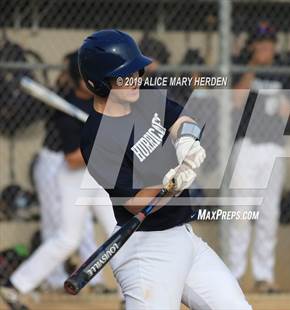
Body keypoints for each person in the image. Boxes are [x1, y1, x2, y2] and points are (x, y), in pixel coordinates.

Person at [78, 29, 251, 310]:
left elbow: (184, 119)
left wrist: (187, 143)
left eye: (136, 72)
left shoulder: (143, 96)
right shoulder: (95, 137)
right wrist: (170, 182)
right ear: (100, 83)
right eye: (125, 75)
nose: (135, 80)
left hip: (184, 236)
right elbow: (134, 204)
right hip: (146, 250)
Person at [0, 53, 117, 310]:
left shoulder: (105, 99)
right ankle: (16, 285)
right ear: (79, 82)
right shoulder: (65, 111)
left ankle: (129, 296)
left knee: (119, 232)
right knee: (67, 239)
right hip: (74, 177)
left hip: (99, 177)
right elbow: (73, 160)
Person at [227, 22, 290, 293]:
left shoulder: (287, 73)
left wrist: (289, 111)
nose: (264, 46)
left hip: (274, 149)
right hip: (246, 146)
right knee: (240, 212)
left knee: (269, 213)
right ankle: (234, 275)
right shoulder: (240, 66)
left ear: (275, 45)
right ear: (252, 45)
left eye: (269, 42)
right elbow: (235, 101)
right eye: (260, 41)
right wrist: (253, 66)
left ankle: (264, 275)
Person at [33, 51, 113, 292]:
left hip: (90, 170)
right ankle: (51, 279)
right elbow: (73, 158)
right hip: (59, 162)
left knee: (92, 228)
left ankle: (95, 279)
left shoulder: (99, 98)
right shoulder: (64, 107)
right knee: (60, 228)